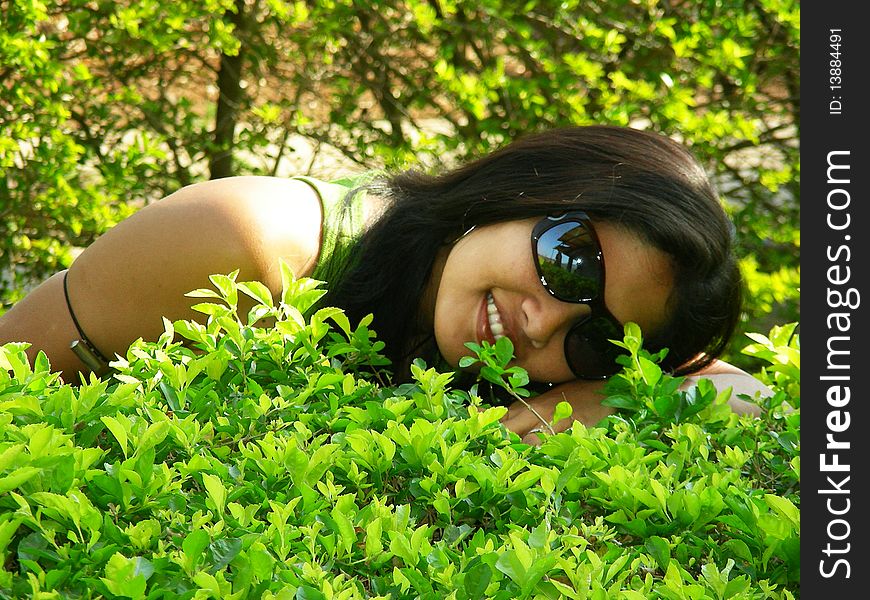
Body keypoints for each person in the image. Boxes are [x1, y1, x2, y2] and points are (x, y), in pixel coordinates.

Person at [0, 125, 769, 442]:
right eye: (573, 261)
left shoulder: (536, 368)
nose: (543, 325)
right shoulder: (249, 246)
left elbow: (752, 395)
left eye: (598, 339)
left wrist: (593, 393)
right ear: (526, 186)